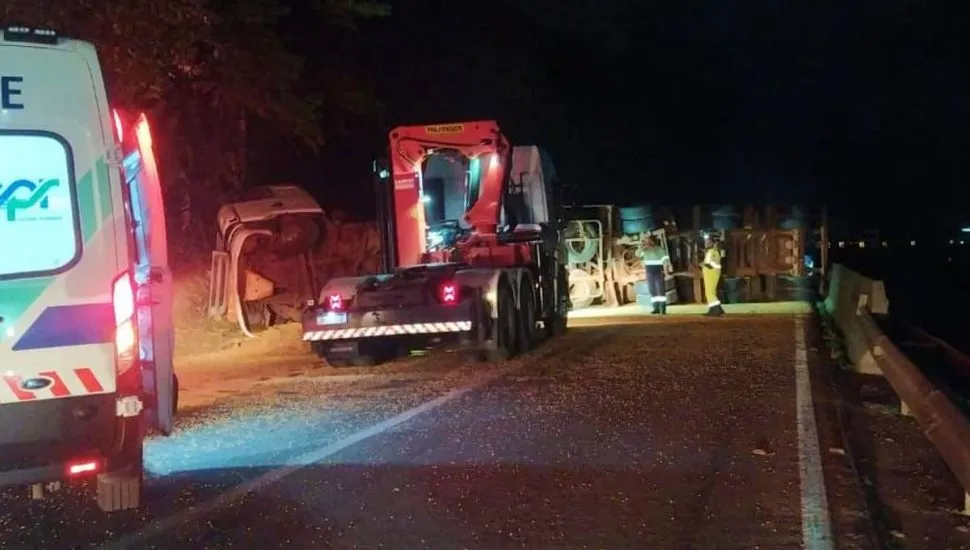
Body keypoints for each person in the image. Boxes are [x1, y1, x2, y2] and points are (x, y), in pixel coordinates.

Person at [638, 235, 672, 315]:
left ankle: (662, 309)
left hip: (658, 272)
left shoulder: (660, 250)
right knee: (652, 290)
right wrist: (641, 247)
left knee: (660, 290)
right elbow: (638, 254)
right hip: (649, 272)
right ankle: (655, 308)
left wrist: (666, 272)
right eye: (645, 241)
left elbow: (665, 262)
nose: (645, 242)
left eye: (647, 241)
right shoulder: (645, 250)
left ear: (652, 241)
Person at [701, 233, 725, 316]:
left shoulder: (711, 252)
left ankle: (716, 310)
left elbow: (709, 264)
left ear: (712, 242)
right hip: (712, 273)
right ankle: (713, 309)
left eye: (708, 241)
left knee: (709, 292)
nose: (706, 243)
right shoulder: (713, 251)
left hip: (711, 273)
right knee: (711, 292)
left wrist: (702, 264)